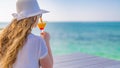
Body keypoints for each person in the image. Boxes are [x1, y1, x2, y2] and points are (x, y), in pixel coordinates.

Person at [0, 0, 53, 68]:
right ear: (34, 17)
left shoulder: (5, 38)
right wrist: (46, 41)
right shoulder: (38, 41)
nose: (40, 18)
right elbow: (49, 66)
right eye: (39, 15)